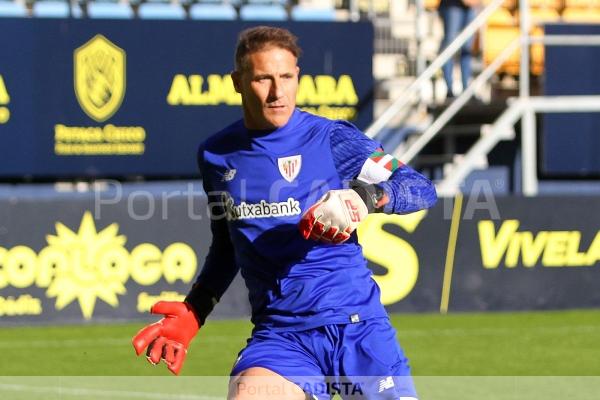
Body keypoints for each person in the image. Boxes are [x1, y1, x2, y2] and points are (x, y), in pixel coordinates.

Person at [132, 26, 437, 399]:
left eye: (286, 78)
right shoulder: (216, 156)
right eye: (262, 79)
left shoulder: (333, 139)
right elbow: (228, 245)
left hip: (358, 329)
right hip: (282, 338)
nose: (277, 92)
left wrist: (366, 198)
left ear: (298, 78)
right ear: (238, 82)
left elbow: (420, 188)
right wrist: (195, 312)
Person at [438, 0, 479, 98]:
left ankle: (466, 88)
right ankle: (449, 89)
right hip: (451, 5)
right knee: (449, 47)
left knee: (467, 49)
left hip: (469, 8)